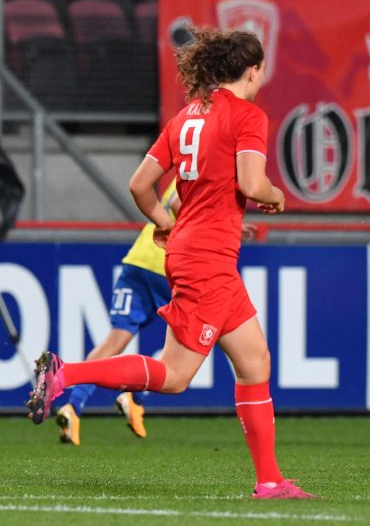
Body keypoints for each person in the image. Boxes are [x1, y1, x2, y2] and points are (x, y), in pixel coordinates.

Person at [26, 28, 313, 500]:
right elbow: (251, 182)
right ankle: (64, 374)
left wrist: (164, 223)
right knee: (174, 377)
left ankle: (270, 481)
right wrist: (276, 195)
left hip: (197, 253)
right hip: (209, 259)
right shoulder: (248, 116)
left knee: (255, 361)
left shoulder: (186, 118)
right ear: (254, 70)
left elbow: (140, 185)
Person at [54, 184, 258, 446]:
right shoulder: (207, 168)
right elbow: (175, 203)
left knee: (115, 340)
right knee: (186, 353)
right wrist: (210, 231)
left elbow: (155, 192)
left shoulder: (189, 162)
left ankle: (73, 407)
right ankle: (134, 396)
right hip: (172, 266)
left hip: (138, 263)